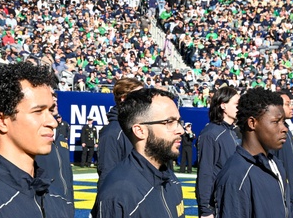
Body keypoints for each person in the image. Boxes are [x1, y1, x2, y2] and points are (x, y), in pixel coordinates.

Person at [0, 63, 72, 217]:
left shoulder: (56, 198)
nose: (53, 122)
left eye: (50, 110)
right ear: (1, 120)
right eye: (38, 111)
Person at [91, 88, 185, 218]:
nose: (181, 130)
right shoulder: (118, 194)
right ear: (140, 131)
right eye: (169, 122)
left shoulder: (170, 178)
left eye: (179, 121)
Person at [212, 87, 290, 218]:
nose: (284, 129)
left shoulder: (276, 164)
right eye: (276, 122)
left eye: (283, 122)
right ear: (252, 123)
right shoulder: (236, 176)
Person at [195, 86, 241, 218]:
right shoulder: (211, 134)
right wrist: (205, 210)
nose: (240, 107)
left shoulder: (233, 132)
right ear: (223, 105)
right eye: (237, 104)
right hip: (217, 205)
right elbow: (205, 172)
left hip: (232, 200)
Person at [97, 78, 144, 189]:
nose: (144, 100)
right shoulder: (113, 133)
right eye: (139, 96)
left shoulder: (139, 128)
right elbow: (107, 177)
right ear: (124, 98)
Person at [35, 88, 75, 214]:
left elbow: (67, 176)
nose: (55, 99)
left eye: (55, 96)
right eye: (51, 96)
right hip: (44, 206)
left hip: (65, 206)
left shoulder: (60, 137)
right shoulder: (33, 136)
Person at [274, 91, 293, 218]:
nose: (291, 107)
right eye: (288, 104)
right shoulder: (275, 133)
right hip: (281, 196)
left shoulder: (288, 130)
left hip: (290, 194)